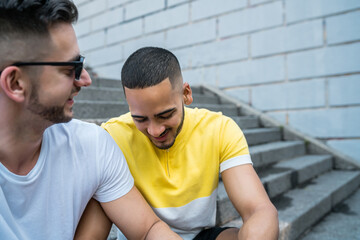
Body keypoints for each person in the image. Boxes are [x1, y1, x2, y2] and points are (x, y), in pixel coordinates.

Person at [0, 1, 181, 240]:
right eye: (71, 69)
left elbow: (148, 230)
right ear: (16, 83)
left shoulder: (93, 145)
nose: (85, 79)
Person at [78, 47, 279, 240]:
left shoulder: (219, 129)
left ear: (186, 94)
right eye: (140, 119)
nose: (155, 130)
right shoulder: (112, 137)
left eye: (165, 115)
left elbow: (258, 210)